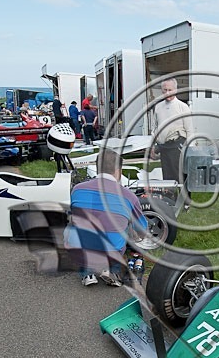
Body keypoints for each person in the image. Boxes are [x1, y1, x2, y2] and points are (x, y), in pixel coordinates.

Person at [64, 149, 148, 287]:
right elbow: (142, 230)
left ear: (97, 168)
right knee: (125, 226)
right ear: (118, 171)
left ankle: (87, 273)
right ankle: (110, 268)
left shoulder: (77, 189)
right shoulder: (129, 197)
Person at [150, 78, 193, 184]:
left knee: (179, 177)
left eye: (170, 90)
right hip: (163, 147)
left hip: (178, 146)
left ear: (176, 90)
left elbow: (190, 130)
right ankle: (169, 200)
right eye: (165, 90)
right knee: (167, 178)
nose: (167, 93)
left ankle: (183, 200)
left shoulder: (183, 107)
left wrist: (190, 151)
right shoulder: (158, 107)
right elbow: (154, 129)